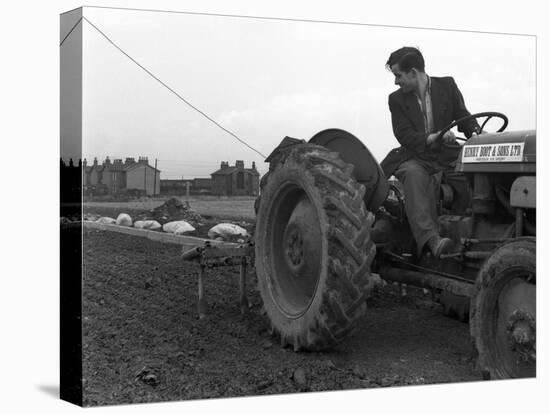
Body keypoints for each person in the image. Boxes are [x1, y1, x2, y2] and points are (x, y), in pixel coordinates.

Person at [380, 46, 481, 257]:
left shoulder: (447, 86)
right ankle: (431, 241)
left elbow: (463, 116)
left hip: (446, 156)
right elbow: (404, 135)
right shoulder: (396, 100)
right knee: (413, 174)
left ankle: (468, 237)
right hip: (416, 157)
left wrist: (478, 134)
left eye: (398, 75)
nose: (396, 81)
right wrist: (433, 137)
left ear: (414, 73)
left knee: (474, 176)